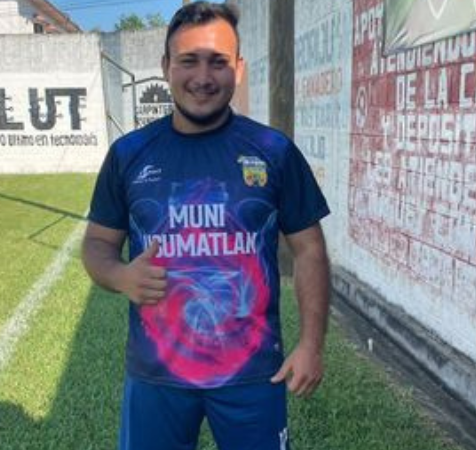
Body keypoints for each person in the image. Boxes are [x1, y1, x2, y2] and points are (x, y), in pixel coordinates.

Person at [81, 2, 330, 449]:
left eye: (218, 62)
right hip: (156, 374)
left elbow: (310, 247)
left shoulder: (273, 151)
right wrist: (120, 276)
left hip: (253, 372)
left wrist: (311, 344)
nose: (202, 76)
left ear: (239, 68)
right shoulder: (129, 154)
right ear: (166, 67)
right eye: (188, 60)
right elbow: (97, 243)